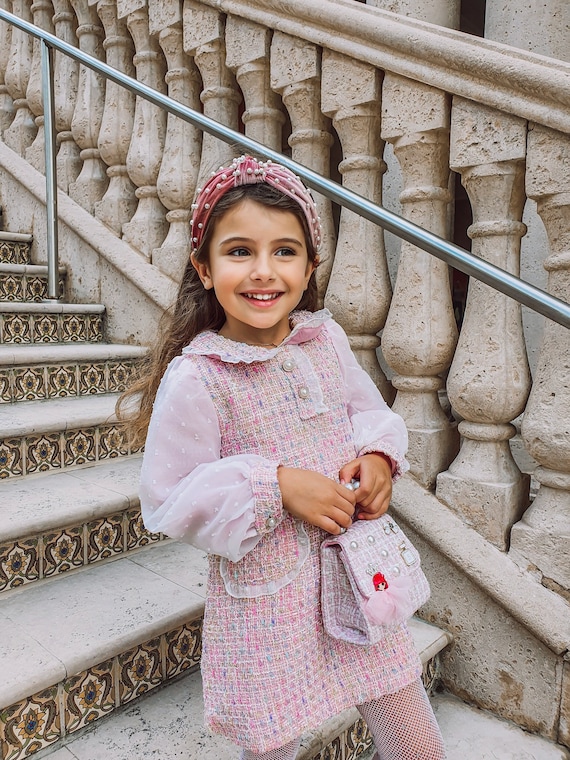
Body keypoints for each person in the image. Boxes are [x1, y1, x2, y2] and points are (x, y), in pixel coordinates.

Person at [121, 155, 446, 760]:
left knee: (412, 735)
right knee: (272, 740)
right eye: (239, 251)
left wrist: (377, 457)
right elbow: (169, 495)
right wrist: (274, 485)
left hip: (355, 579)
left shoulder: (323, 341)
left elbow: (367, 412)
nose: (263, 272)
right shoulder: (199, 376)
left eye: (285, 251)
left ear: (310, 265)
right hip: (266, 608)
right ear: (204, 266)